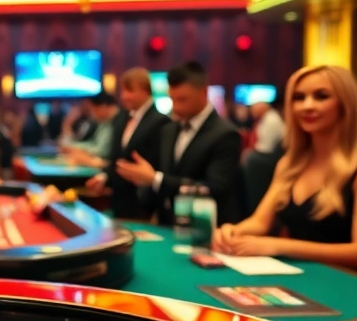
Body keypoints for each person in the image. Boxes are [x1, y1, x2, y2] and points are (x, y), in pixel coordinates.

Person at [214, 65, 357, 277]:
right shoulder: (289, 165)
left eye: (321, 96)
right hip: (299, 278)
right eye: (299, 98)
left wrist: (277, 246)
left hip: (351, 284)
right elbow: (260, 222)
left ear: (345, 104)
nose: (307, 106)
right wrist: (232, 232)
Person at [116, 62, 242, 226]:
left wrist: (156, 179)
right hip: (167, 226)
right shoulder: (168, 129)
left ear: (204, 93)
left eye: (182, 99)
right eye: (172, 99)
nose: (175, 107)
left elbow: (214, 188)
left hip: (205, 229)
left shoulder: (226, 135)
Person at [87, 68, 168, 220]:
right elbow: (116, 158)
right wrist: (104, 176)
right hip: (119, 202)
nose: (124, 96)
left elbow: (159, 166)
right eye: (123, 91)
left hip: (144, 206)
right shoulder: (121, 118)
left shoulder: (162, 122)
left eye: (129, 91)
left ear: (145, 90)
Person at [61, 93, 118, 167]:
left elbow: (102, 150)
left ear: (103, 107)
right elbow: (93, 143)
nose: (93, 114)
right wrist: (73, 147)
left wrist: (75, 148)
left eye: (93, 110)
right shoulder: (102, 122)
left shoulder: (119, 121)